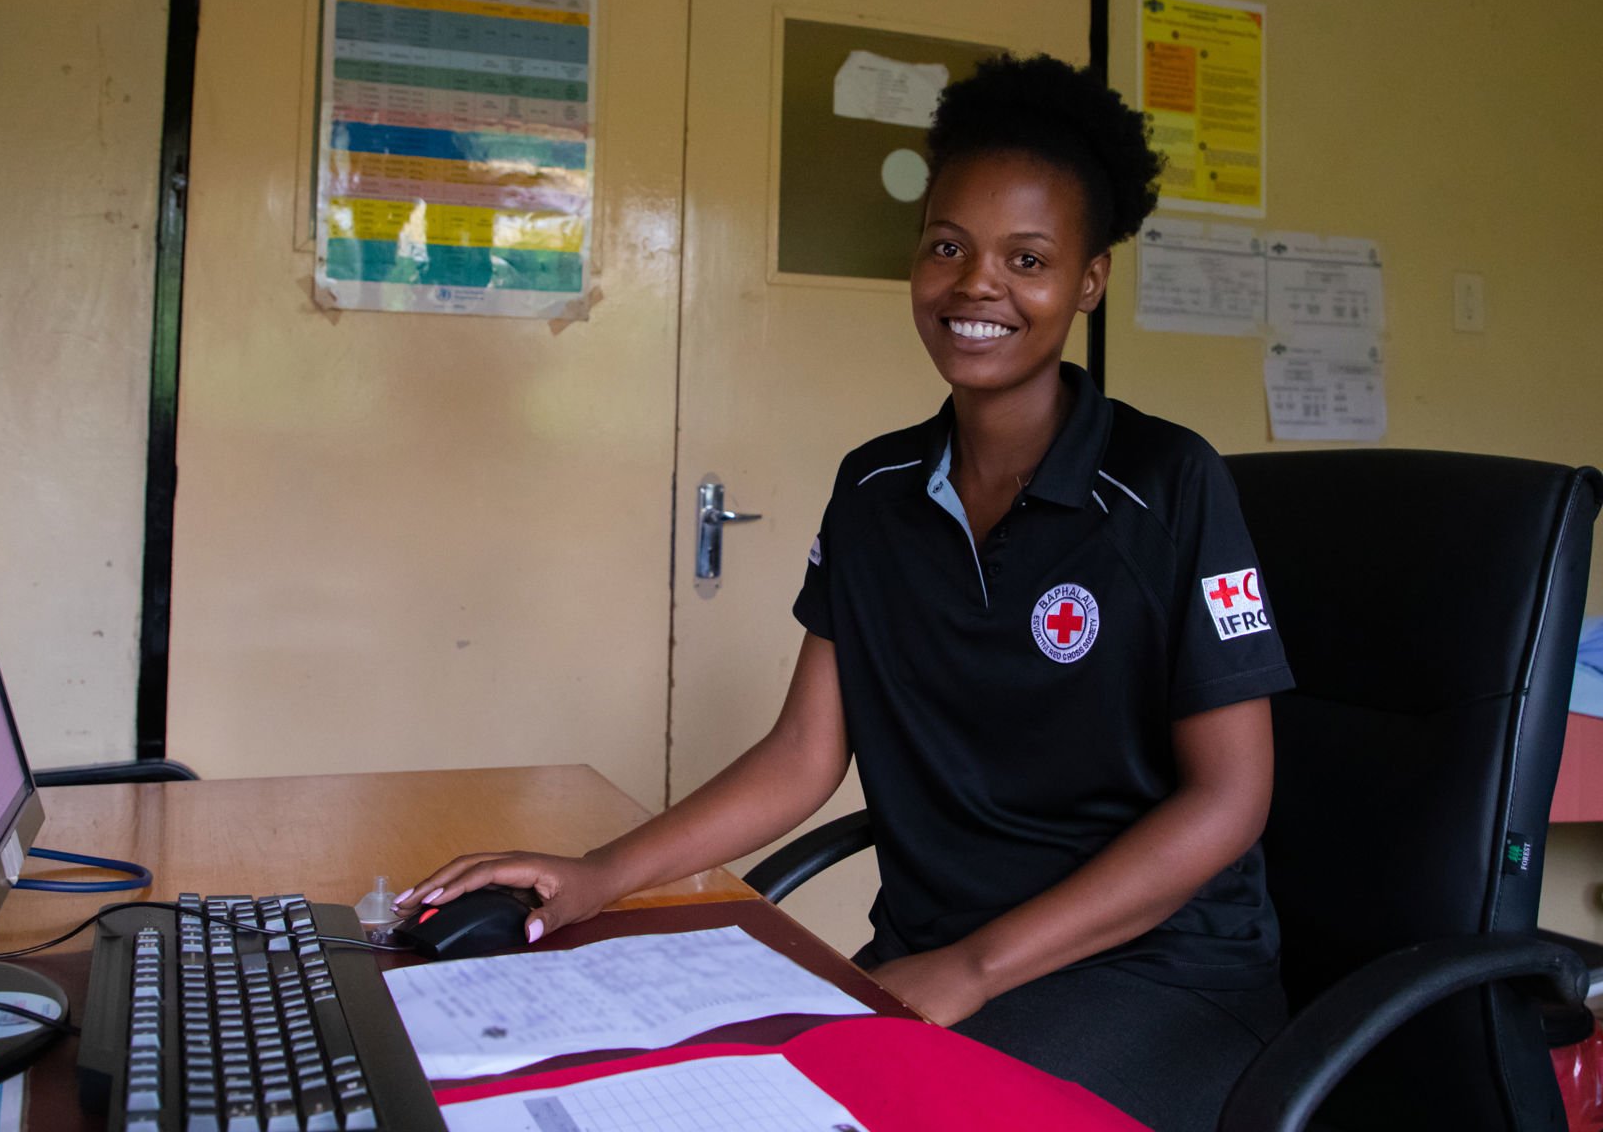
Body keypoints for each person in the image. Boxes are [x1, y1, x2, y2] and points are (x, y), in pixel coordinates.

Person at [398, 54, 1294, 1132]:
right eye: (948, 246)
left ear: (1089, 280)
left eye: (1029, 258)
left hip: (1155, 975)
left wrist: (977, 963)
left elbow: (1229, 799)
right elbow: (803, 755)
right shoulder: (874, 490)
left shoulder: (1169, 482)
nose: (977, 285)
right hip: (934, 959)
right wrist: (596, 874)